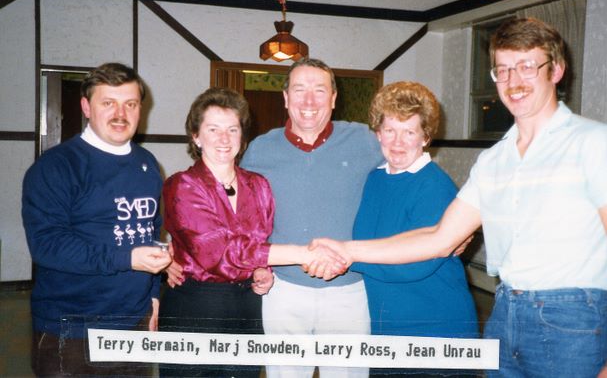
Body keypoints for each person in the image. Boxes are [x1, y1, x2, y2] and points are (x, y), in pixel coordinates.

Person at [310, 18, 607, 377]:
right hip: (504, 312)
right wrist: (345, 249)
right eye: (503, 70)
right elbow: (439, 237)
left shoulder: (595, 142)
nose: (514, 81)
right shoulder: (494, 160)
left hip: (572, 319)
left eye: (527, 67)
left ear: (556, 70)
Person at [160, 87, 345, 378]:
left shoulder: (258, 185)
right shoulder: (182, 186)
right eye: (213, 129)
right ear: (196, 136)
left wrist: (262, 270)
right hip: (196, 308)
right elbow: (218, 252)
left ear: (242, 137)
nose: (224, 139)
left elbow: (260, 242)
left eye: (232, 129)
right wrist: (303, 254)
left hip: (248, 307)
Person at [22, 62, 172, 377]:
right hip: (72, 331)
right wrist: (127, 258)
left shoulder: (147, 164)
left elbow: (152, 231)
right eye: (108, 103)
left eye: (130, 104)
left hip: (133, 323)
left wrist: (153, 296)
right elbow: (47, 246)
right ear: (86, 107)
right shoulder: (56, 167)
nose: (121, 113)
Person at [241, 57, 384, 378]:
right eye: (299, 89)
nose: (309, 101)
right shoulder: (259, 150)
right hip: (283, 291)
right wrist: (257, 266)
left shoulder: (365, 140)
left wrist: (447, 225)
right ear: (285, 97)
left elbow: (406, 173)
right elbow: (245, 220)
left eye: (319, 90)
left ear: (333, 98)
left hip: (350, 291)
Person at [352, 81, 478, 377]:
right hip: (386, 329)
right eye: (390, 130)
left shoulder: (435, 186)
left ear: (425, 137)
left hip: (435, 330)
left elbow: (413, 264)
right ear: (378, 132)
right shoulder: (374, 179)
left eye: (409, 132)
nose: (398, 141)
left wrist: (346, 257)